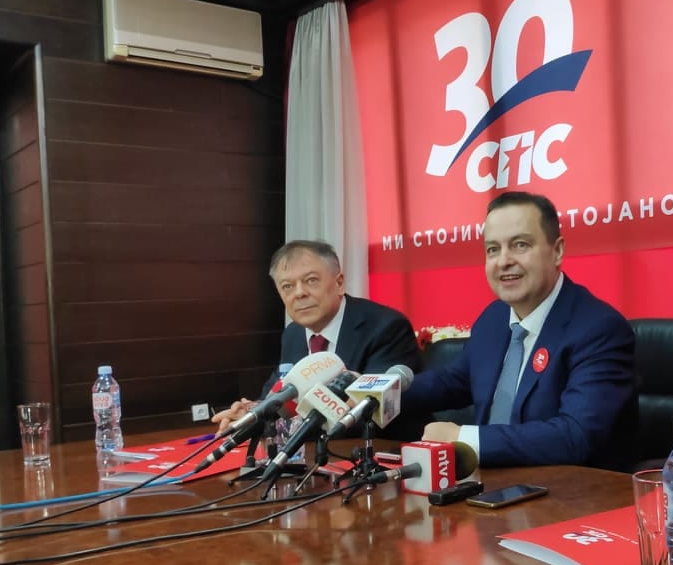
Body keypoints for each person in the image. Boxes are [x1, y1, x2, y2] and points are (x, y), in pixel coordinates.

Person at [403, 191, 637, 469]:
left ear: (557, 251)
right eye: (493, 249)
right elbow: (453, 381)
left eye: (520, 245)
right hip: (490, 485)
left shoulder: (599, 329)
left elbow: (576, 435)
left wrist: (462, 438)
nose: (503, 261)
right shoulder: (494, 317)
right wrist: (378, 393)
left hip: (572, 490)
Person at [212, 240, 423, 433]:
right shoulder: (294, 333)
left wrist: (286, 425)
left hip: (381, 450)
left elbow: (368, 414)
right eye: (287, 286)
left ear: (339, 283)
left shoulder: (385, 327)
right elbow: (278, 394)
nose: (299, 293)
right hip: (316, 453)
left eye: (311, 280)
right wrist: (252, 414)